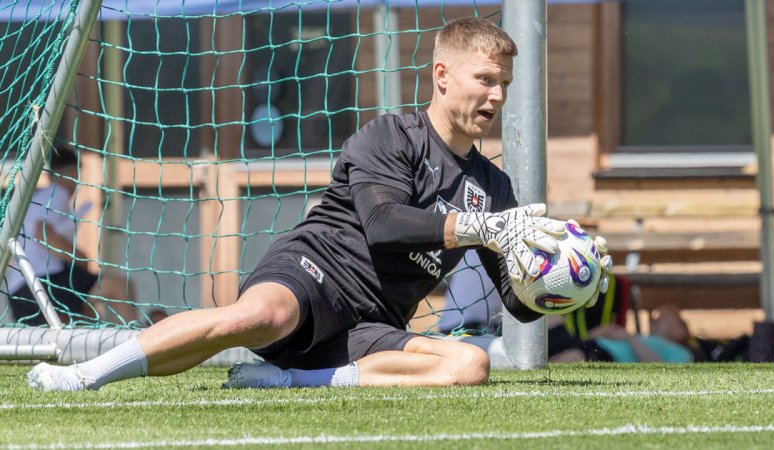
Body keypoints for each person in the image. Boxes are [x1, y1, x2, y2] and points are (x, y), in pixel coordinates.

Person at [27, 17, 610, 391]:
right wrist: (482, 228)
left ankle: (294, 380)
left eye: (504, 82)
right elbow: (383, 225)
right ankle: (83, 375)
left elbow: (520, 306)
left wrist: (566, 273)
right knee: (257, 318)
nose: (498, 95)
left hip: (372, 323)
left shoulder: (493, 186)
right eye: (485, 78)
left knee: (470, 366)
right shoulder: (389, 135)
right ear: (441, 75)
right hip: (314, 274)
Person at [4, 146, 137, 326]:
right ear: (71, 174)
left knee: (86, 313)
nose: (75, 185)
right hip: (40, 283)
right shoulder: (56, 192)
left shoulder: (39, 198)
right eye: (74, 178)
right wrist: (79, 257)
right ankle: (137, 343)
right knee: (118, 285)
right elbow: (41, 233)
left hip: (19, 293)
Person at [549, 306, 693, 363]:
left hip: (604, 356)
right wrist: (593, 334)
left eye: (667, 318)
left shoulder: (681, 351)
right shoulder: (644, 338)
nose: (656, 319)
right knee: (554, 320)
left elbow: (658, 366)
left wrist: (628, 337)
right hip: (591, 344)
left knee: (576, 356)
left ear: (682, 331)